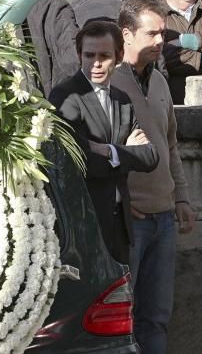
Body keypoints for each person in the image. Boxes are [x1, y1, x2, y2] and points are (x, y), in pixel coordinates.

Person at [111, 0, 202, 354]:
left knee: (156, 318)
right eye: (152, 34)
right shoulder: (109, 82)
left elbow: (171, 146)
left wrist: (182, 197)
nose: (160, 41)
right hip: (129, 219)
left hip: (164, 214)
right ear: (126, 35)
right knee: (121, 319)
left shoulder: (161, 82)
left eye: (163, 34)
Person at [49, 20, 159, 263]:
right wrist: (127, 152)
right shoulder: (66, 95)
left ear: (119, 56)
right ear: (79, 55)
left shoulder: (122, 99)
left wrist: (109, 151)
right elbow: (81, 162)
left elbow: (151, 156)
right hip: (84, 225)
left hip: (120, 226)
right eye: (89, 55)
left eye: (104, 56)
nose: (96, 63)